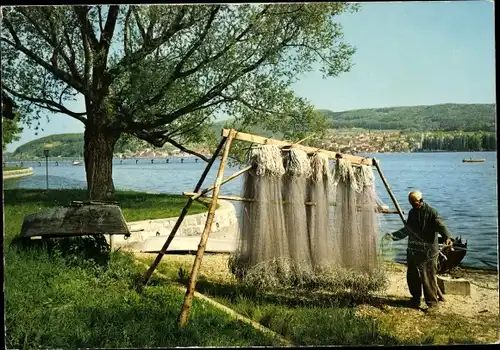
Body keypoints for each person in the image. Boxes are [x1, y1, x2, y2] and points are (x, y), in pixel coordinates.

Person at [385, 190, 453, 311]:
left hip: (428, 249)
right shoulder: (412, 212)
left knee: (428, 275)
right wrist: (393, 236)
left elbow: (441, 225)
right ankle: (415, 299)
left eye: (415, 203)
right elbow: (407, 229)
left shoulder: (432, 212)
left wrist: (447, 237)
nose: (413, 205)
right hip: (413, 248)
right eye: (411, 203)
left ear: (421, 200)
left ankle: (432, 303)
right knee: (412, 274)